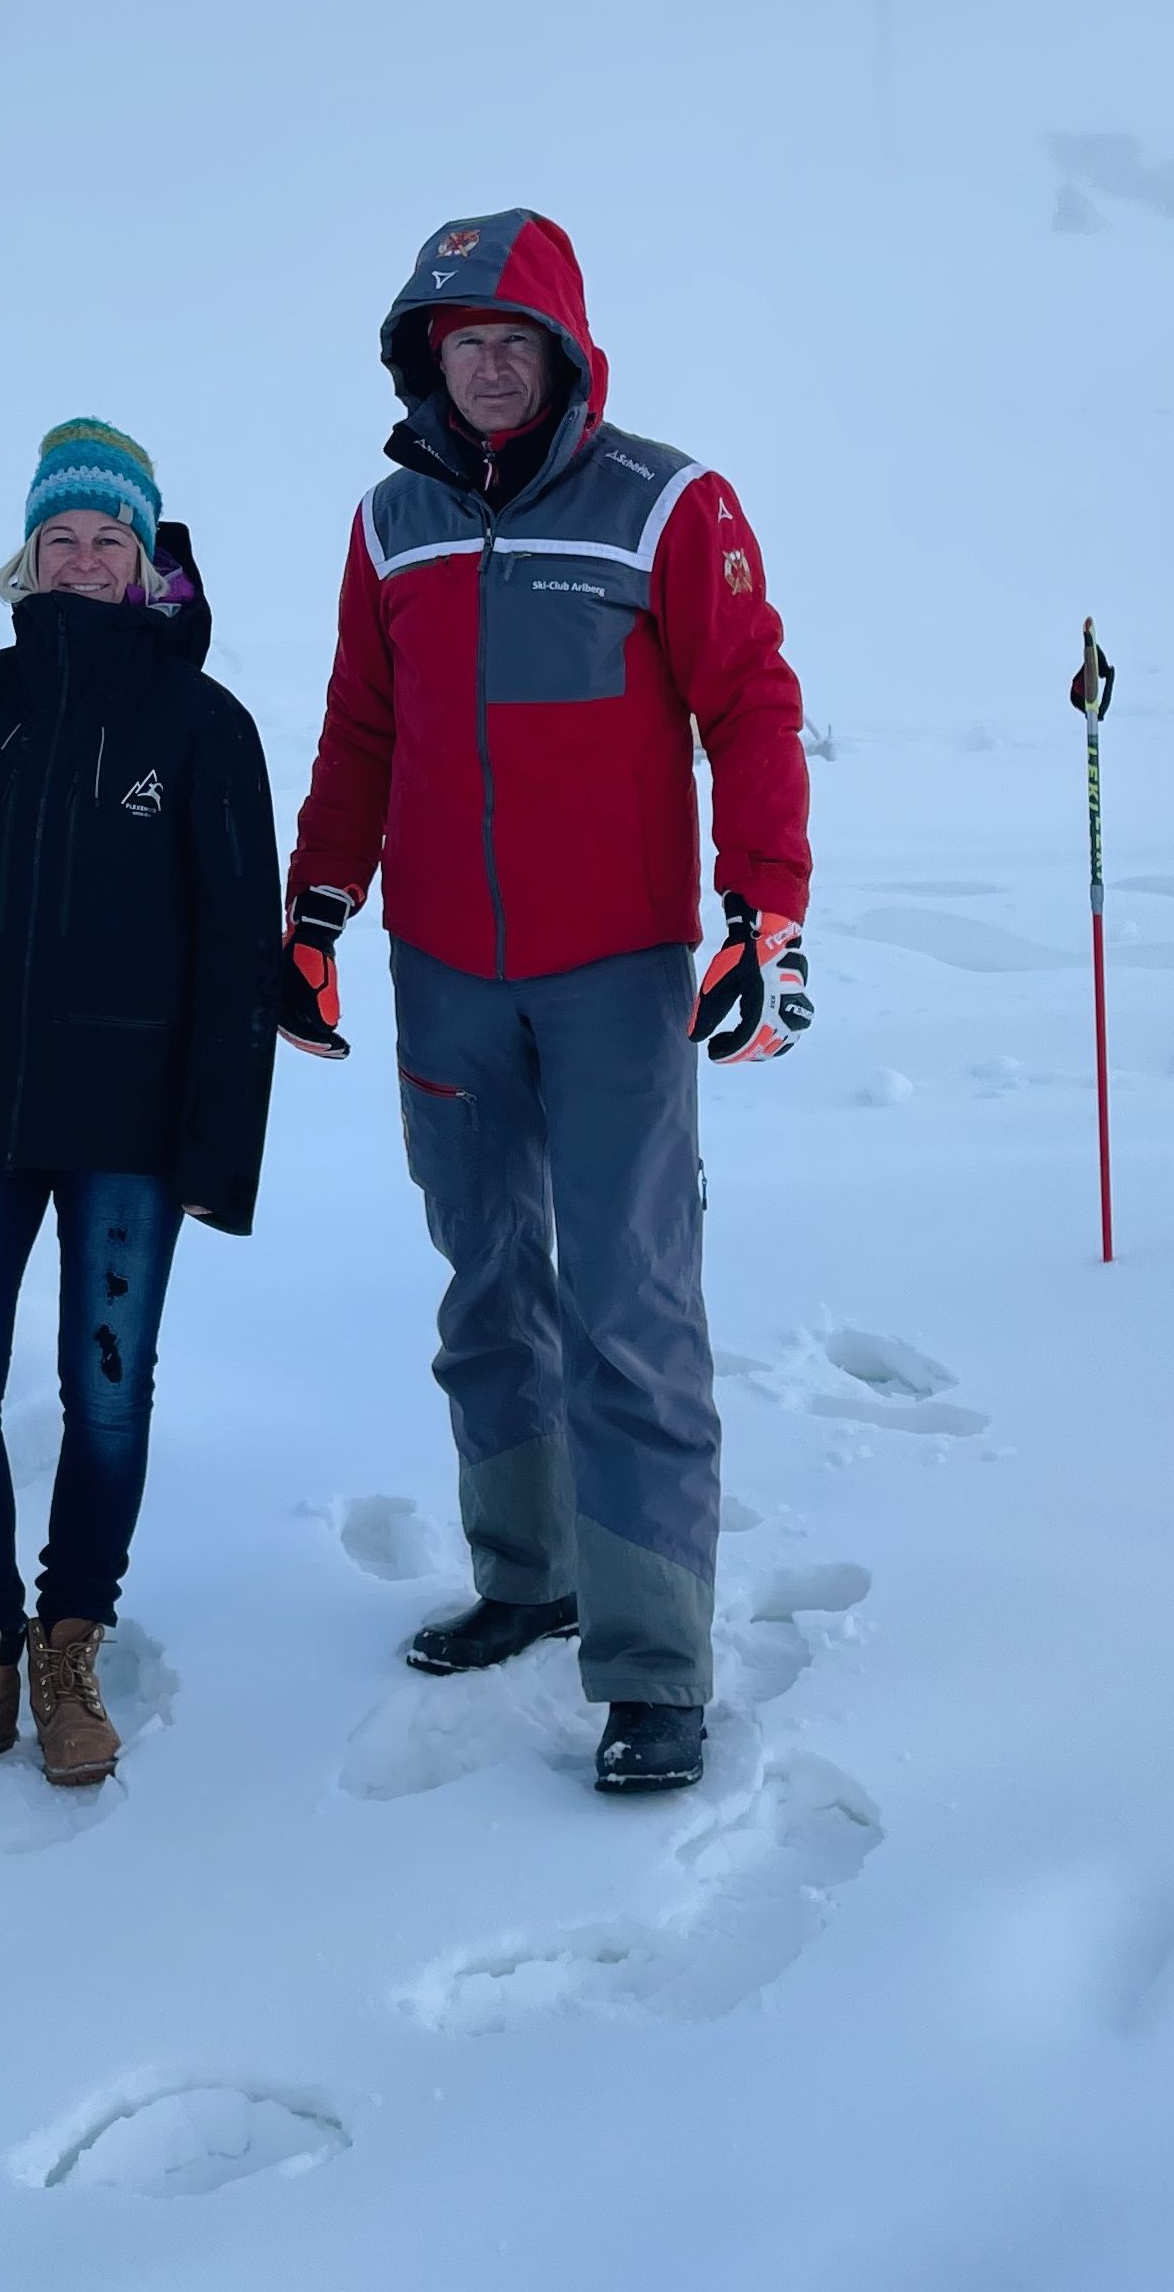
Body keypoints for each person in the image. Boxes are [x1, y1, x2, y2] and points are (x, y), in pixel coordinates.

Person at [280, 213, 813, 1794]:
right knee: (483, 1277)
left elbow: (750, 701)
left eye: (514, 342)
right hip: (443, 970)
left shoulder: (666, 503)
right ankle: (527, 1570)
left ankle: (652, 1660)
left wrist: (764, 906)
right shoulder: (391, 523)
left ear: (565, 353)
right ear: (424, 359)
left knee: (628, 1303)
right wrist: (318, 907)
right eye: (462, 344)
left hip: (612, 977)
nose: (490, 368)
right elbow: (358, 730)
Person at [0, 421, 278, 1788]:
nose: (84, 557)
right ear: (25, 554)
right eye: (62, 537)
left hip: (133, 1133)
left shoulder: (203, 728)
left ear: (147, 563)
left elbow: (237, 953)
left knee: (104, 1397)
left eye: (110, 539)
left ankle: (68, 1644)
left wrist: (218, 1147)